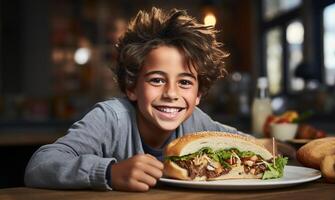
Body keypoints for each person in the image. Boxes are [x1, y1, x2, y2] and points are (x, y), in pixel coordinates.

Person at [24, 7, 243, 192]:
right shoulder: (110, 119)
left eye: (185, 82)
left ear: (198, 95)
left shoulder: (196, 122)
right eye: (157, 80)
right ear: (131, 88)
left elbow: (245, 143)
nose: (171, 93)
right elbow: (39, 165)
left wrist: (276, 144)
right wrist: (109, 173)